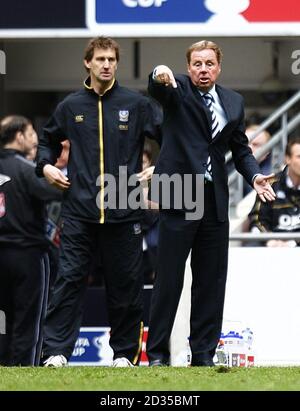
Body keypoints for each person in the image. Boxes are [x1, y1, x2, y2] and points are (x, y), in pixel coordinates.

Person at [146, 40, 276, 367]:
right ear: (188, 68)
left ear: (219, 67)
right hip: (179, 193)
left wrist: (255, 176)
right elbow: (157, 86)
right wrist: (158, 73)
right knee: (169, 278)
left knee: (211, 279)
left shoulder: (234, 101)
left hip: (215, 198)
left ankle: (202, 355)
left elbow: (241, 149)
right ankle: (158, 354)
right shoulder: (177, 91)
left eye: (209, 64)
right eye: (197, 64)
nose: (203, 70)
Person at [35, 36, 161, 367]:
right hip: (79, 211)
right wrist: (47, 166)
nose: (106, 64)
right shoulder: (71, 105)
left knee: (126, 287)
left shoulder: (136, 104)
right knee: (69, 282)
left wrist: (157, 168)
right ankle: (57, 353)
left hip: (125, 211)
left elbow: (171, 137)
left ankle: (124, 355)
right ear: (87, 62)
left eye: (111, 59)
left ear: (117, 64)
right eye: (100, 59)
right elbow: (47, 140)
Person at [0, 115, 61, 366]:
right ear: (19, 136)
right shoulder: (26, 169)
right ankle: (25, 368)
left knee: (4, 316)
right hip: (27, 253)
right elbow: (55, 192)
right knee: (29, 318)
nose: (35, 137)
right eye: (31, 132)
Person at [248, 137, 300, 247]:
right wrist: (269, 240)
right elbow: (256, 219)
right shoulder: (270, 184)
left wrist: (293, 242)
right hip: (272, 244)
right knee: (251, 245)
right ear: (288, 159)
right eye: (299, 157)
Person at [244, 124, 272, 195]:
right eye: (245, 144)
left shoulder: (272, 171)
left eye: (256, 145)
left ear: (268, 150)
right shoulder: (229, 166)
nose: (249, 148)